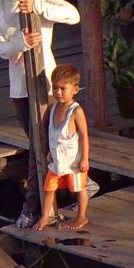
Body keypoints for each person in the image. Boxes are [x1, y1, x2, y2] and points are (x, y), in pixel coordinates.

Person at [0, 0, 80, 227]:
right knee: (39, 145)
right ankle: (68, 190)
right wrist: (23, 43)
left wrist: (37, 8)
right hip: (19, 86)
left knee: (43, 145)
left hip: (45, 82)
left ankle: (32, 206)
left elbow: (73, 16)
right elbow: (1, 47)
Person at [34, 63, 91, 231]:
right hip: (57, 160)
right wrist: (50, 152)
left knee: (79, 188)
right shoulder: (52, 109)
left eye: (63, 89)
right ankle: (45, 216)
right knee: (49, 188)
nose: (58, 92)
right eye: (55, 88)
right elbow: (52, 134)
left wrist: (85, 158)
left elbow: (84, 137)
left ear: (75, 89)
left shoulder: (76, 111)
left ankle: (82, 216)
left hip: (74, 161)